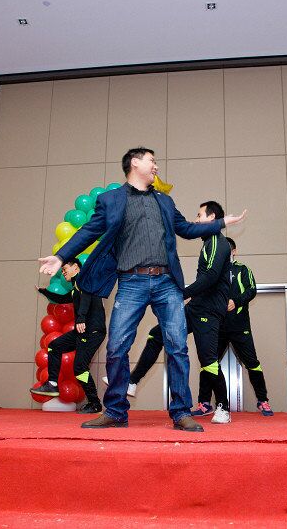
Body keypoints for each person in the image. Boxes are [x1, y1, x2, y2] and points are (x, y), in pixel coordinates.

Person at [38, 147, 246, 431]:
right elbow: (88, 231)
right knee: (116, 347)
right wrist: (61, 256)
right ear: (135, 163)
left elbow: (186, 229)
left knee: (177, 347)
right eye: (152, 161)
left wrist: (221, 223)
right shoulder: (111, 200)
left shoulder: (164, 200)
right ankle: (115, 412)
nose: (156, 166)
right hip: (131, 283)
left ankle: (181, 412)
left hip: (167, 283)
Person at [123, 202, 232, 424]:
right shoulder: (208, 243)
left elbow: (211, 276)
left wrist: (183, 293)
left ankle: (223, 407)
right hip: (196, 307)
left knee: (208, 360)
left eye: (199, 215)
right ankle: (132, 381)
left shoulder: (217, 242)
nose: (196, 219)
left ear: (211, 217)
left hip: (209, 310)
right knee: (157, 334)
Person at [31, 258, 106, 414]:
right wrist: (44, 291)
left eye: (65, 268)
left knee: (80, 368)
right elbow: (63, 299)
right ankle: (52, 384)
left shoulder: (84, 281)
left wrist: (81, 318)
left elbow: (86, 299)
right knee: (54, 346)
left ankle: (95, 403)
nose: (63, 272)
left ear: (76, 268)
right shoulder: (76, 287)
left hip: (92, 331)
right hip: (82, 331)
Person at [213, 237, 273, 416]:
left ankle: (263, 400)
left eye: (227, 250)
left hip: (240, 327)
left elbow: (252, 290)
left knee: (252, 363)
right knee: (209, 363)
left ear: (234, 251)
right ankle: (205, 403)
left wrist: (236, 301)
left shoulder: (243, 269)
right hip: (218, 326)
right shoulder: (213, 271)